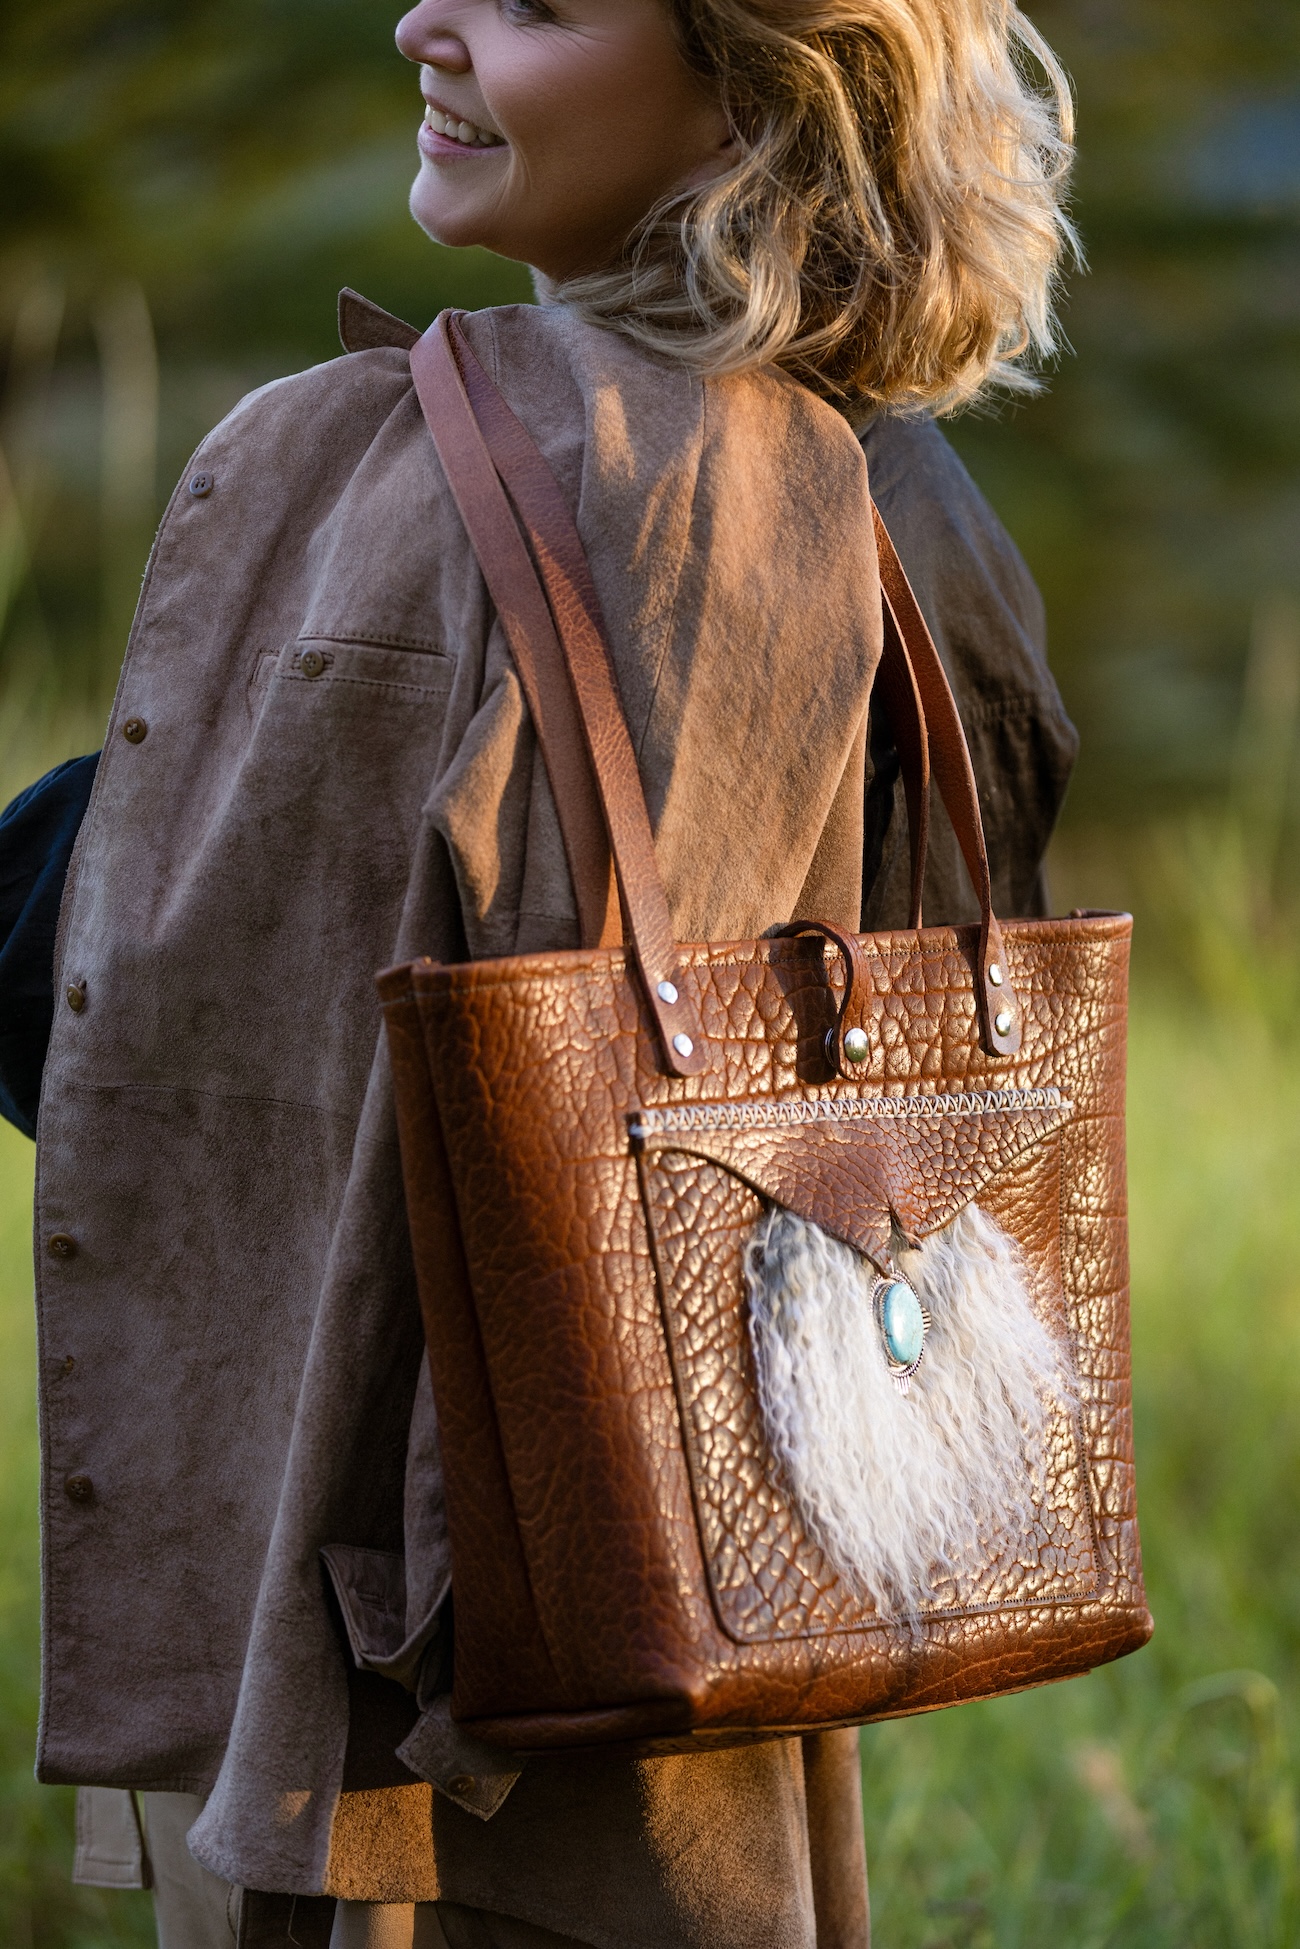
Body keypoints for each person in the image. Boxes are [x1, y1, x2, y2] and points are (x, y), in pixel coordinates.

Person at [2, 1, 1079, 1944]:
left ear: (757, 79)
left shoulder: (408, 466)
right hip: (728, 1603)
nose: (425, 18)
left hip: (408, 1667)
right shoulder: (908, 502)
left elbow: (157, 1023)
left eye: (534, 0)